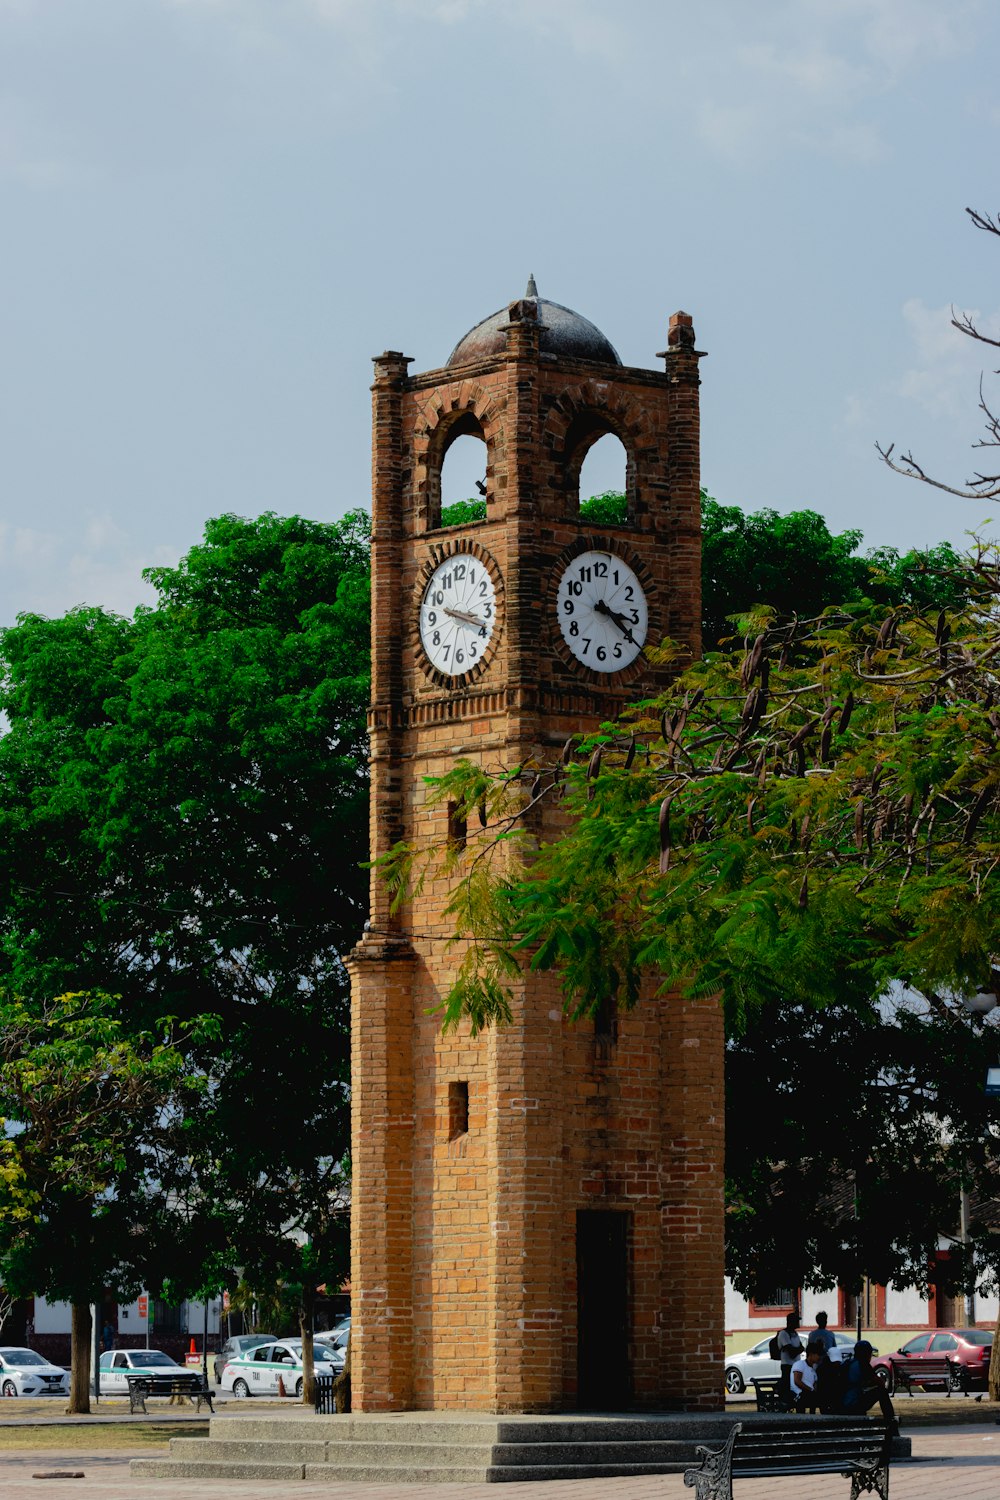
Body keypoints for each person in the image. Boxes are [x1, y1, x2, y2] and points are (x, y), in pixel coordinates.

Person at [841, 1340, 898, 1431]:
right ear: (866, 1354)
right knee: (881, 1391)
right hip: (852, 1404)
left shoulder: (849, 1363)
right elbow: (879, 1382)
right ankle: (890, 1419)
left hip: (843, 1403)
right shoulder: (862, 1364)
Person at [776, 1312, 803, 1410]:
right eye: (796, 1321)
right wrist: (798, 1350)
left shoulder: (795, 1334)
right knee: (787, 1387)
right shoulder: (784, 1334)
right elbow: (791, 1351)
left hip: (796, 1365)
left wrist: (797, 1350)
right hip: (787, 1365)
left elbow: (800, 1348)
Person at [789, 1338, 825, 1412]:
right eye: (818, 1355)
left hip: (809, 1394)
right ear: (811, 1354)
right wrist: (810, 1389)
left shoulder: (814, 1369)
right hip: (798, 1393)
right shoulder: (799, 1364)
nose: (819, 1357)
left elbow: (815, 1385)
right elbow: (797, 1381)